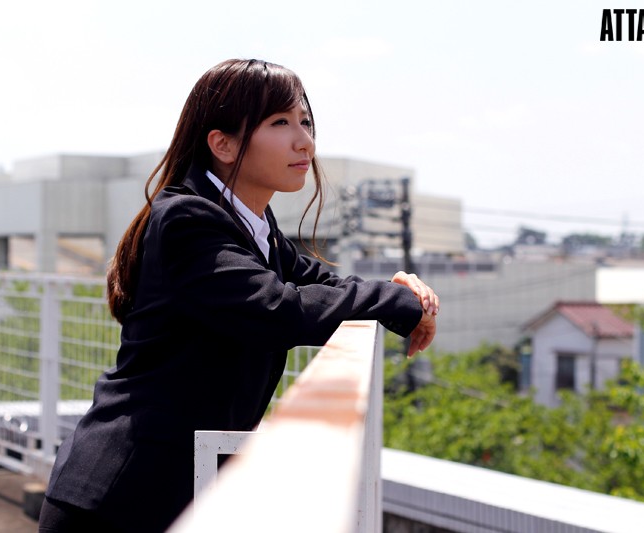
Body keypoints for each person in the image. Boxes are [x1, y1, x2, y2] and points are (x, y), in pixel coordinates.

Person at [38, 58, 438, 533]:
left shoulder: (253, 224)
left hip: (165, 488)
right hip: (117, 496)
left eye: (305, 121)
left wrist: (399, 290)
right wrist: (397, 303)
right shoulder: (188, 219)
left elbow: (318, 282)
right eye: (280, 123)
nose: (304, 141)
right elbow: (277, 309)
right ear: (222, 144)